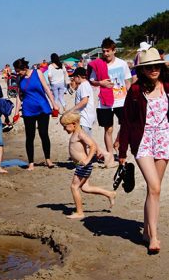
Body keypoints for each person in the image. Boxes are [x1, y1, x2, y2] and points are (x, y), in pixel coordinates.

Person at [119, 47, 169, 253]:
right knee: (155, 187)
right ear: (142, 70)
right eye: (149, 67)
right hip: (143, 141)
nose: (154, 70)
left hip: (164, 139)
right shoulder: (136, 91)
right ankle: (154, 238)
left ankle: (147, 230)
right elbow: (127, 122)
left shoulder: (167, 85)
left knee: (153, 189)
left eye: (156, 65)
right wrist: (122, 152)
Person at [60, 112, 116, 219]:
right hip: (80, 165)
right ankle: (109, 194)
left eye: (65, 127)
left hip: (84, 165)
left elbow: (93, 145)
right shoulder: (76, 133)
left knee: (74, 187)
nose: (64, 129)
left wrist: (87, 160)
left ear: (74, 124)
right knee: (85, 188)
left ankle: (80, 212)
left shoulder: (80, 133)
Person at [13, 58, 60, 170]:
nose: (17, 73)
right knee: (30, 136)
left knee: (44, 134)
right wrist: (16, 113)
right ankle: (31, 163)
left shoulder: (37, 72)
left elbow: (46, 89)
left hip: (42, 108)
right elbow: (19, 97)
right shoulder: (20, 79)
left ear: (24, 68)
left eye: (18, 71)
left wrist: (54, 104)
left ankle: (48, 159)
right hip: (28, 110)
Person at [89, 37, 131, 159]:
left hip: (121, 100)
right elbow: (92, 80)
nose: (105, 54)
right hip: (104, 102)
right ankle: (110, 156)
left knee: (126, 125)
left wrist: (128, 93)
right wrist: (101, 83)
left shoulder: (122, 63)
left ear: (114, 50)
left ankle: (117, 143)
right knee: (108, 129)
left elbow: (127, 80)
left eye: (108, 51)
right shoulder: (98, 64)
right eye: (104, 51)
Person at [69, 67, 114, 167]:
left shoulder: (84, 85)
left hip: (85, 117)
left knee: (87, 140)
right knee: (87, 139)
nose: (73, 80)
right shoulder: (85, 85)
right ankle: (98, 155)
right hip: (87, 116)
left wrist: (72, 110)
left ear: (78, 77)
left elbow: (84, 101)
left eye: (74, 78)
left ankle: (105, 155)